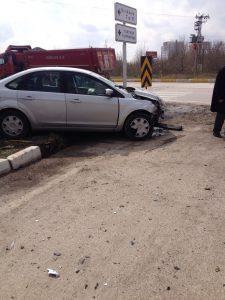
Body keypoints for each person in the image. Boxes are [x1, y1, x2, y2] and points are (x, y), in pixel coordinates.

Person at [211, 66, 225, 138]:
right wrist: (220, 97)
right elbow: (219, 85)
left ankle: (216, 131)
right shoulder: (222, 71)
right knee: (221, 115)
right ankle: (216, 131)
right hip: (222, 98)